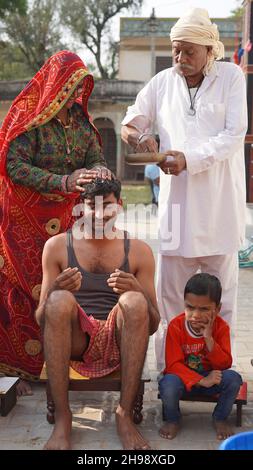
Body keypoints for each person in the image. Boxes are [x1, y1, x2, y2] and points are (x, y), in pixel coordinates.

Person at [121, 7, 248, 370]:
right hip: (175, 208)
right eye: (176, 50)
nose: (180, 58)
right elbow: (130, 123)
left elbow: (233, 136)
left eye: (189, 51)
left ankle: (220, 373)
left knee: (222, 300)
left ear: (210, 50)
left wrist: (188, 159)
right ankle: (170, 373)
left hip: (220, 207)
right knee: (172, 298)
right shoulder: (162, 82)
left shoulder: (231, 77)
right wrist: (141, 136)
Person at [0, 50, 112, 395]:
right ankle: (15, 370)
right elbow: (12, 165)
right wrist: (62, 181)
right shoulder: (29, 117)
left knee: (64, 287)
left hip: (68, 220)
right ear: (57, 83)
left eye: (81, 84)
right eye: (71, 84)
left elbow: (94, 156)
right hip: (24, 222)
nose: (76, 92)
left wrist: (100, 169)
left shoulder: (80, 120)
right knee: (21, 292)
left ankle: (62, 362)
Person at [35, 177, 160, 450]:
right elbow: (41, 318)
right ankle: (63, 417)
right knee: (57, 301)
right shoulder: (57, 247)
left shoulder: (139, 251)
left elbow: (152, 323)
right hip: (77, 340)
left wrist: (136, 288)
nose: (100, 214)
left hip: (119, 338)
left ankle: (124, 414)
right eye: (92, 205)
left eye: (109, 206)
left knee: (135, 301)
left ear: (120, 206)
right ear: (81, 207)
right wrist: (56, 288)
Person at [158, 273, 242, 441]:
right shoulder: (176, 326)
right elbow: (173, 365)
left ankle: (220, 417)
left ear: (217, 309)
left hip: (211, 377)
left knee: (233, 379)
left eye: (204, 309)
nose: (195, 315)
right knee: (167, 383)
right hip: (185, 379)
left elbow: (225, 363)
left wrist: (209, 339)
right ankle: (173, 419)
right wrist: (200, 380)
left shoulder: (221, 327)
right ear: (184, 305)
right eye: (190, 307)